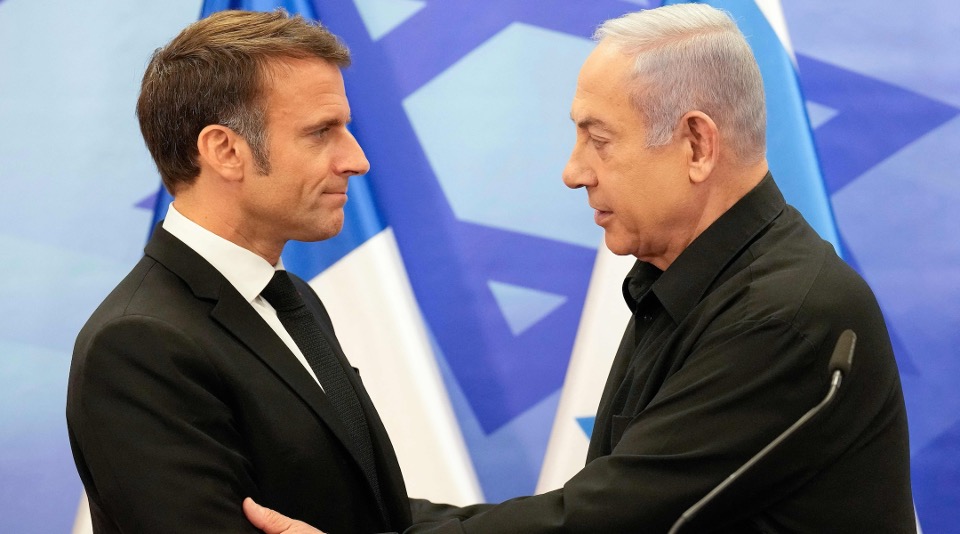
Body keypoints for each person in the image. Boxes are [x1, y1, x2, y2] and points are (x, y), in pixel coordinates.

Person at [242, 4, 915, 533]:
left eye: (599, 139)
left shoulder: (787, 314)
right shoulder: (691, 283)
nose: (573, 172)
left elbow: (610, 522)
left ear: (697, 145)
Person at [65, 10, 413, 534]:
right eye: (321, 132)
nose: (356, 159)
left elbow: (366, 514)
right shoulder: (138, 343)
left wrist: (575, 513)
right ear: (225, 150)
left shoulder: (292, 297)